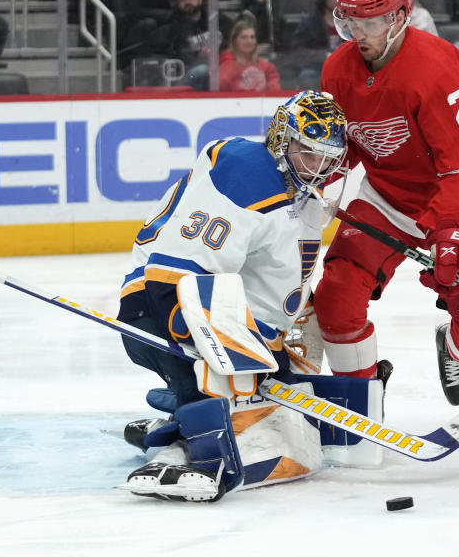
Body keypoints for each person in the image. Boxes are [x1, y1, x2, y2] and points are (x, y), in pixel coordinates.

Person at [117, 90, 350, 501]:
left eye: (326, 158)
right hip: (153, 304)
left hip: (222, 310)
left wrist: (271, 358)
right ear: (282, 139)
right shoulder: (247, 174)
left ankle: (176, 414)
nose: (317, 169)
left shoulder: (299, 192)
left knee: (260, 392)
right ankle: (184, 447)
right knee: (216, 383)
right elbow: (173, 277)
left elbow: (271, 288)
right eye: (308, 154)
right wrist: (210, 354)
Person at [317, 0, 459, 406]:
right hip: (389, 196)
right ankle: (358, 403)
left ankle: (454, 345)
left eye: (370, 20)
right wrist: (312, 189)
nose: (358, 33)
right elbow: (339, 148)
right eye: (350, 20)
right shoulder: (338, 68)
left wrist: (449, 231)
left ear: (399, 16)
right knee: (335, 300)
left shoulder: (434, 66)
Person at [153, 0, 235, 89]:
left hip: (217, 70)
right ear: (177, 4)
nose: (187, 2)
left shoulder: (215, 19)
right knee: (202, 71)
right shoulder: (173, 26)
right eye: (182, 0)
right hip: (185, 75)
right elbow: (183, 54)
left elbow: (233, 30)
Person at [217, 18, 281, 91]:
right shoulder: (227, 65)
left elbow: (275, 88)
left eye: (252, 37)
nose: (249, 41)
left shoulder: (266, 66)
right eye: (243, 37)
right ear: (234, 41)